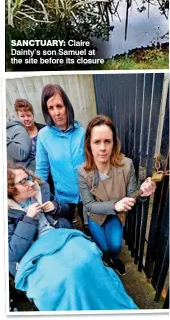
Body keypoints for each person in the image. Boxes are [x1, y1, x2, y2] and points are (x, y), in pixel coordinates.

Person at [8, 163, 138, 311]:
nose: (31, 183)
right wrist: (28, 219)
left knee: (89, 258)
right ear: (10, 189)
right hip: (34, 252)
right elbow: (12, 253)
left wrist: (55, 206)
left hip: (60, 236)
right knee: (65, 277)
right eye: (23, 182)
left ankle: (105, 299)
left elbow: (65, 210)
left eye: (29, 178)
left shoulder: (40, 190)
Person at [78, 114, 156, 276]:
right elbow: (89, 204)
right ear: (89, 144)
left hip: (116, 215)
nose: (102, 148)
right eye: (97, 142)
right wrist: (114, 205)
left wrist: (143, 192)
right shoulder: (83, 171)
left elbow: (133, 195)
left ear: (114, 142)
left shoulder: (126, 165)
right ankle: (106, 260)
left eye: (107, 141)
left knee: (115, 246)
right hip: (96, 215)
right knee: (103, 246)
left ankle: (114, 259)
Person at [36, 84, 85, 223]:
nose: (56, 112)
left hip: (85, 194)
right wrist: (39, 196)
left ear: (67, 107)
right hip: (63, 197)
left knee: (89, 229)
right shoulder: (43, 136)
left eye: (59, 106)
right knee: (66, 227)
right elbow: (41, 170)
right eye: (51, 108)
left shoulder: (82, 133)